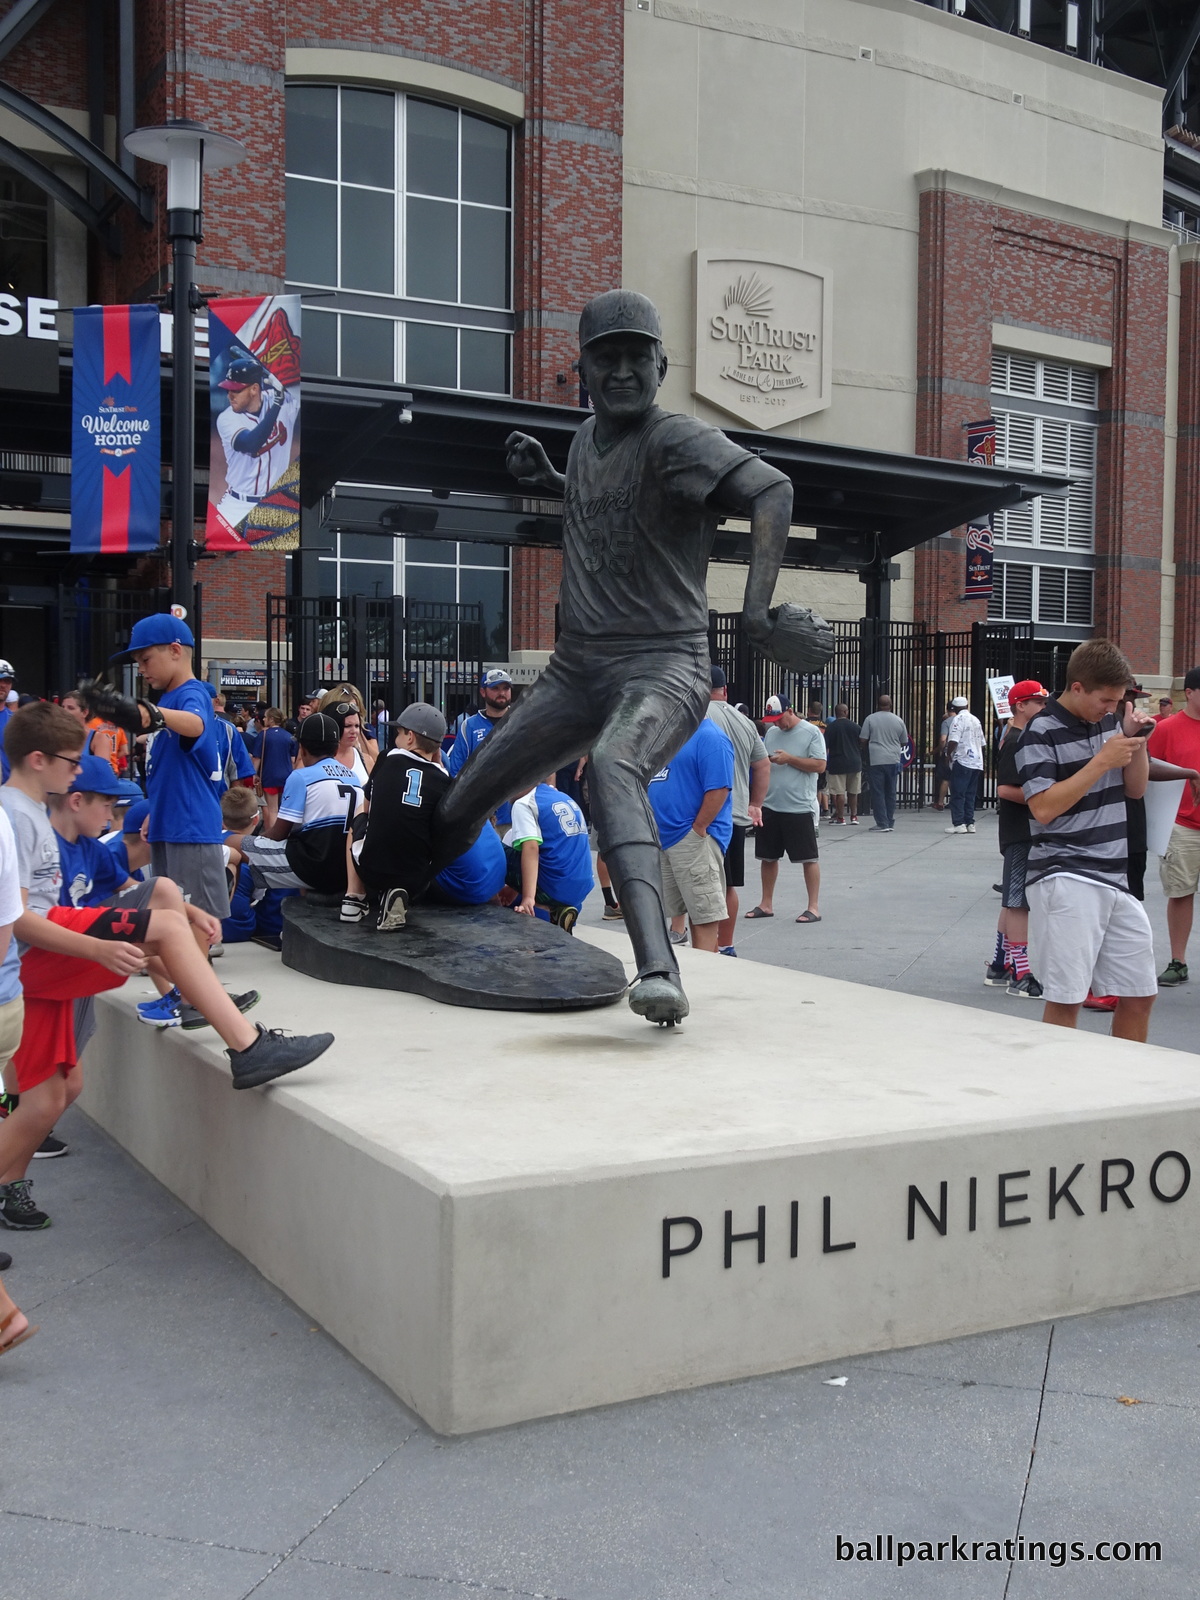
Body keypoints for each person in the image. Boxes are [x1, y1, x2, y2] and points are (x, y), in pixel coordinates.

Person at [435, 289, 797, 1026]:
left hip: (663, 661)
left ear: (663, 365)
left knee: (614, 765)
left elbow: (771, 489)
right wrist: (549, 484)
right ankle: (407, 891)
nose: (624, 371)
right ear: (585, 368)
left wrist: (756, 611)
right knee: (466, 794)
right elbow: (614, 513)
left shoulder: (675, 438)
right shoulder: (583, 441)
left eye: (638, 357)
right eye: (608, 358)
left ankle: (657, 970)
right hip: (579, 668)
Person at [0, 705, 333, 1232]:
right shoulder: (15, 817)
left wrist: (181, 909)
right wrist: (97, 950)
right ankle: (246, 1045)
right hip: (38, 955)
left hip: (40, 959)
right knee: (165, 930)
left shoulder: (29, 814)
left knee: (56, 1095)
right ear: (39, 760)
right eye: (71, 761)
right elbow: (19, 919)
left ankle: (199, 1003)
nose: (77, 770)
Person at [1016, 638, 1157, 1041]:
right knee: (1067, 998)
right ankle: (1059, 1091)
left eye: (1116, 701)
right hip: (1066, 874)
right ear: (1077, 687)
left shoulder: (1111, 723)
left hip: (1113, 875)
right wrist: (1101, 761)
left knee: (1140, 994)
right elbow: (1042, 809)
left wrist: (1136, 740)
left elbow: (1135, 790)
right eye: (1105, 700)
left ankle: (1122, 1087)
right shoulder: (1039, 732)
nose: (1110, 708)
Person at [112, 614, 230, 929]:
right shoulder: (170, 698)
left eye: (146, 658)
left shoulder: (191, 693)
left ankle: (194, 977)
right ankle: (180, 977)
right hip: (171, 822)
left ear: (175, 651)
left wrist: (153, 713)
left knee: (194, 926)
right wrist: (155, 811)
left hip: (190, 825)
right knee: (172, 917)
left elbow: (196, 723)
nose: (141, 668)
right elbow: (169, 771)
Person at [344, 704, 452, 931]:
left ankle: (354, 899)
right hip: (418, 876)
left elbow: (368, 806)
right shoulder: (444, 778)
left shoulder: (388, 758)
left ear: (410, 737)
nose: (396, 738)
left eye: (399, 733)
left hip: (373, 867)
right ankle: (394, 893)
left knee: (359, 816)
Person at [238, 713, 363, 902]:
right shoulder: (353, 777)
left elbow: (279, 833)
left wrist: (257, 840)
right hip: (345, 871)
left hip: (313, 868)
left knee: (230, 842)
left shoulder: (301, 777)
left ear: (302, 749)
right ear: (336, 747)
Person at [647, 720, 733, 952]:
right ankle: (703, 968)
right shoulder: (671, 733)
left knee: (704, 916)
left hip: (692, 838)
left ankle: (704, 978)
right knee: (688, 910)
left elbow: (719, 788)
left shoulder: (710, 737)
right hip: (668, 838)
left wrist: (698, 828)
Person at [987, 680, 1048, 998]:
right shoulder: (1016, 740)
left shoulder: (1020, 736)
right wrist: (1049, 797)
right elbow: (1004, 789)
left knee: (1013, 898)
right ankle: (1020, 973)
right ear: (1020, 705)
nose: (1043, 708)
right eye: (1037, 703)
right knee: (1017, 902)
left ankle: (1000, 964)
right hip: (1020, 830)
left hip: (1023, 830)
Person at [705, 666, 770, 955]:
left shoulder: (697, 717)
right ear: (725, 691)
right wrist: (755, 803)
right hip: (735, 815)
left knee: (702, 884)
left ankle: (700, 942)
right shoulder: (743, 721)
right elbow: (763, 763)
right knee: (729, 884)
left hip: (705, 814)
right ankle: (726, 944)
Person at [747, 700, 825, 922]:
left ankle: (813, 906)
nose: (778, 724)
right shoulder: (771, 733)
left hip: (799, 805)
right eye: (773, 721)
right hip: (772, 804)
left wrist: (789, 759)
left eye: (780, 719)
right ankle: (766, 903)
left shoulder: (811, 732)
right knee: (767, 857)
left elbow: (820, 765)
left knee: (808, 857)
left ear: (790, 711)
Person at [1147, 666, 1200, 987]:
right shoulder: (1166, 729)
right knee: (1180, 893)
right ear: (1190, 694)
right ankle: (1178, 960)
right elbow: (1148, 769)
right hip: (1182, 825)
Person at [212, 356, 299, 531]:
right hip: (237, 506)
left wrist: (284, 382)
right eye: (228, 390)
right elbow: (251, 444)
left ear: (254, 389)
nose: (230, 395)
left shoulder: (283, 399)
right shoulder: (227, 418)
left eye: (236, 390)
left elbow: (299, 386)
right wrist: (278, 402)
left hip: (275, 506)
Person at [507, 780, 595, 931]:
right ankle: (559, 912)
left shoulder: (524, 803)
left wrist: (528, 897)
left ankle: (543, 912)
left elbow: (531, 847)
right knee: (516, 837)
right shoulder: (561, 796)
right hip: (580, 887)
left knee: (497, 852)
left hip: (553, 887)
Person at [446, 669, 514, 776]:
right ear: (483, 692)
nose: (502, 693)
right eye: (495, 688)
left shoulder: (521, 719)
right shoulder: (469, 725)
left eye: (506, 688)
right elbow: (456, 770)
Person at [859, 695, 908, 833]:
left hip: (876, 759)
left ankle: (882, 822)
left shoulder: (870, 719)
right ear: (891, 705)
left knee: (878, 792)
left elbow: (863, 739)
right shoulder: (898, 720)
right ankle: (890, 820)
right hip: (893, 759)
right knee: (891, 792)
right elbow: (904, 741)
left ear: (877, 705)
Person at [251, 708, 297, 829]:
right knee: (284, 809)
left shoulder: (263, 735)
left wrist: (253, 774)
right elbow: (293, 760)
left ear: (271, 719)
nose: (264, 719)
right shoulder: (289, 736)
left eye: (266, 717)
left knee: (272, 809)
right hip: (287, 776)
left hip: (269, 776)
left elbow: (257, 758)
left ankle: (273, 837)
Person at [945, 695, 985, 834]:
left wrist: (948, 754)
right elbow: (982, 742)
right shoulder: (976, 720)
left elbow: (953, 740)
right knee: (970, 794)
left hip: (963, 759)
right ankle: (970, 823)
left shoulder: (958, 719)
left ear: (954, 708)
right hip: (977, 762)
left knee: (958, 793)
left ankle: (959, 823)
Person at [323, 694, 378, 784]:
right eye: (348, 726)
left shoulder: (366, 760)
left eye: (357, 726)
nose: (354, 731)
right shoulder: (317, 758)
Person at [823, 702, 862, 825]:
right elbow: (862, 743)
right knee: (853, 791)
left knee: (839, 792)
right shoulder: (855, 727)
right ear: (846, 712)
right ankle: (854, 816)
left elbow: (826, 746)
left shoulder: (831, 728)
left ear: (836, 713)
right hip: (854, 762)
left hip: (837, 763)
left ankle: (840, 817)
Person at [932, 700, 955, 811]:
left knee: (946, 778)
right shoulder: (967, 720)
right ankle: (955, 801)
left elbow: (943, 740)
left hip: (949, 753)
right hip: (963, 755)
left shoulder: (946, 722)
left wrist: (937, 750)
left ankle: (940, 802)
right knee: (957, 778)